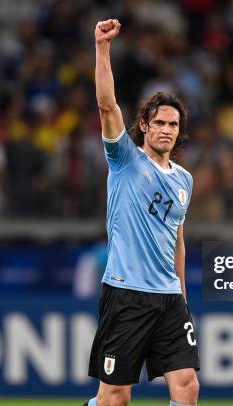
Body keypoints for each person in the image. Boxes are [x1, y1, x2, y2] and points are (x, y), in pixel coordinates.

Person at [85, 19, 199, 406]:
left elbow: (177, 242)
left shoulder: (185, 179)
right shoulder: (125, 160)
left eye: (173, 124)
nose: (166, 129)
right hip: (127, 294)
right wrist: (102, 49)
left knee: (187, 385)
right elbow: (106, 104)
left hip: (168, 298)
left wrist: (182, 295)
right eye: (159, 123)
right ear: (145, 127)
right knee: (115, 398)